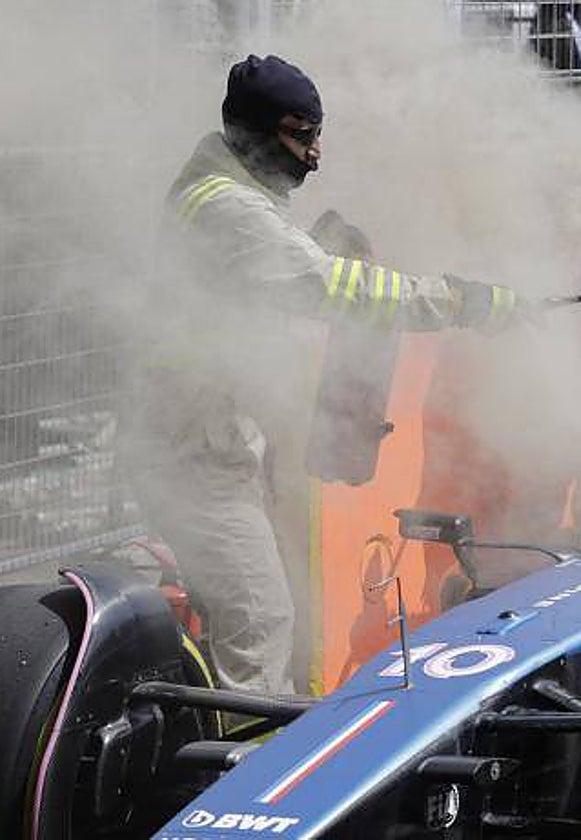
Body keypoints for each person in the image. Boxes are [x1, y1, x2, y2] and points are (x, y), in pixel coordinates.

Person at [122, 55, 524, 697]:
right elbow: (336, 289)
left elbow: (265, 279)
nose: (314, 155)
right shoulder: (233, 210)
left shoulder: (228, 182)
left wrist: (314, 242)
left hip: (214, 444)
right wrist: (456, 301)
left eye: (317, 133)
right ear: (253, 133)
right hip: (195, 459)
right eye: (299, 135)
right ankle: (239, 776)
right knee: (261, 619)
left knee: (270, 610)